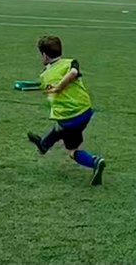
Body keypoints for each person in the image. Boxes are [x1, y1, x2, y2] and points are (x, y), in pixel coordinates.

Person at [25, 35, 106, 185]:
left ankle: (95, 162)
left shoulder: (45, 76)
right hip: (85, 110)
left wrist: (58, 88)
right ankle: (44, 145)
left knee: (72, 150)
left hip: (69, 118)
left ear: (44, 55)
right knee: (59, 130)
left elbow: (66, 79)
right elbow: (74, 72)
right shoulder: (70, 62)